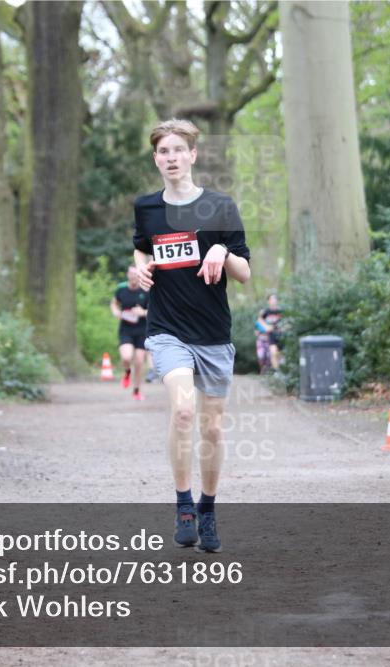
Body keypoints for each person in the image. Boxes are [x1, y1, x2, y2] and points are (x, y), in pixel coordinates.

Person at [133, 118, 251, 553]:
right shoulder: (146, 208)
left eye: (178, 150)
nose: (171, 158)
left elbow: (244, 272)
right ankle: (183, 503)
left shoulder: (220, 206)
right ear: (156, 159)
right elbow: (143, 247)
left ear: (193, 155)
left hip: (213, 332)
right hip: (167, 329)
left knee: (212, 429)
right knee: (183, 411)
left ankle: (208, 509)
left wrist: (221, 249)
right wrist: (138, 267)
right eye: (163, 151)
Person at [110, 266, 150, 401]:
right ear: (127, 275)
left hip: (142, 330)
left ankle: (137, 390)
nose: (133, 277)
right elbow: (114, 303)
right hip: (126, 329)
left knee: (139, 362)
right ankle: (127, 372)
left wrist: (143, 312)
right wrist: (115, 311)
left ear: (139, 275)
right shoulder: (121, 289)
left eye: (135, 274)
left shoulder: (146, 290)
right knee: (126, 357)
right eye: (131, 274)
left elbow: (155, 312)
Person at [256, 293, 284, 371]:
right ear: (268, 301)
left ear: (277, 301)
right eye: (271, 299)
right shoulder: (266, 312)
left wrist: (283, 328)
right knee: (273, 352)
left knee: (280, 355)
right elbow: (259, 320)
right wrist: (266, 327)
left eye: (274, 299)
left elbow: (287, 322)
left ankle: (281, 371)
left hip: (281, 336)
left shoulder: (281, 311)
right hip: (271, 336)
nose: (273, 301)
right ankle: (276, 372)